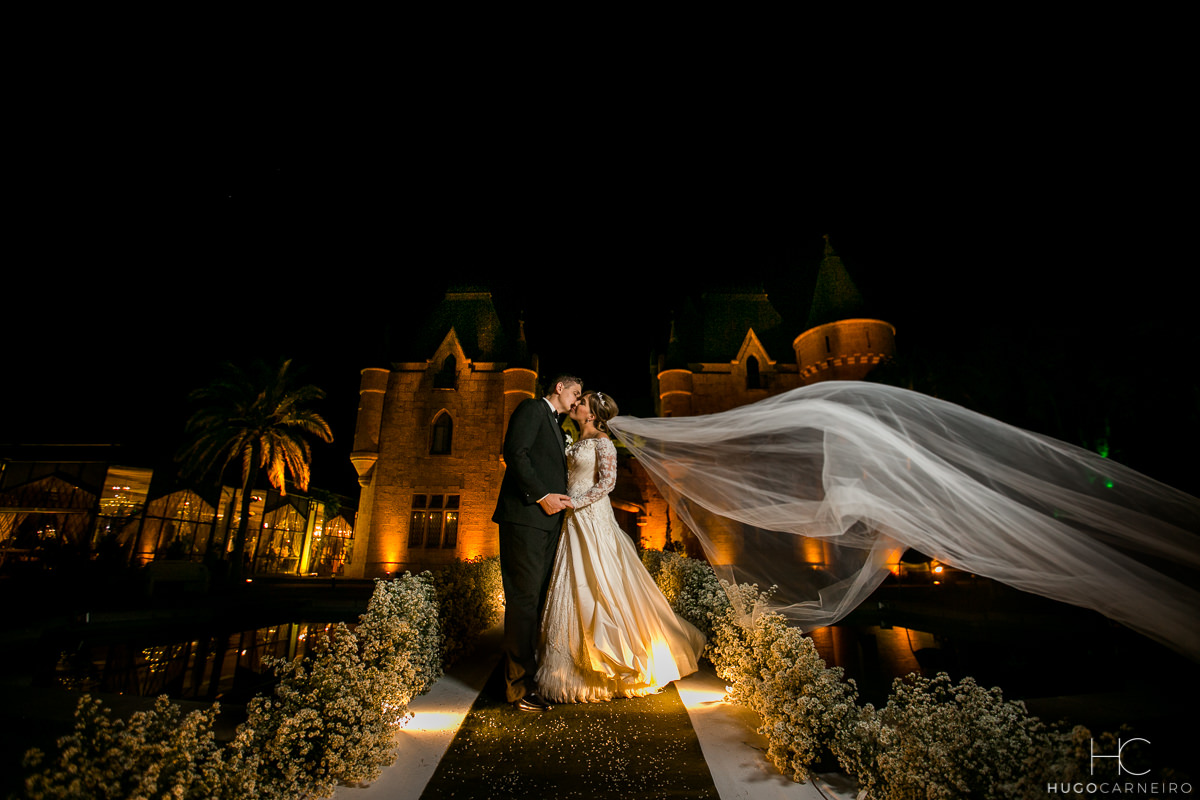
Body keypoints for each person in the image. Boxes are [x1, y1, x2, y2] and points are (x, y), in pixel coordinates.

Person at [537, 391, 706, 703]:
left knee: (602, 583)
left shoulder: (603, 442)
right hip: (572, 521)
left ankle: (615, 661)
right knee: (573, 583)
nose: (576, 404)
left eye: (582, 402)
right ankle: (568, 668)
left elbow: (607, 484)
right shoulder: (573, 440)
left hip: (592, 517)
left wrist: (575, 502)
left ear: (592, 414)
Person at [492, 374, 583, 712]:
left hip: (546, 525)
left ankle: (527, 678)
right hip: (525, 520)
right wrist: (541, 497)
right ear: (559, 388)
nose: (576, 400)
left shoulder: (558, 427)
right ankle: (516, 688)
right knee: (524, 601)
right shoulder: (532, 408)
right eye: (575, 392)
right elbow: (514, 453)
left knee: (536, 601)